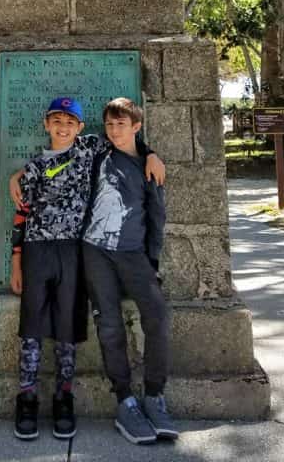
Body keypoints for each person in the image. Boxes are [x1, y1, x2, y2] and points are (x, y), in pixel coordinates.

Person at [9, 96, 164, 441]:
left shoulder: (89, 148)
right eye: (56, 122)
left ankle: (65, 396)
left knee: (68, 322)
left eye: (70, 123)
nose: (62, 128)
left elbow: (126, 139)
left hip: (74, 251)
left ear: (79, 128)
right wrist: (16, 259)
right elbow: (21, 213)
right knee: (31, 324)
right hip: (36, 248)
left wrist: (151, 153)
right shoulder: (34, 166)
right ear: (46, 125)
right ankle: (27, 397)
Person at [82, 97, 178, 445]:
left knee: (157, 316)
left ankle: (154, 395)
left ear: (136, 126)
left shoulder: (149, 167)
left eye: (121, 124)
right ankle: (124, 399)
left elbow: (157, 216)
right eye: (109, 124)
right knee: (108, 325)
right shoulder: (97, 152)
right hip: (95, 253)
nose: (113, 130)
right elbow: (60, 150)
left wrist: (152, 261)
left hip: (134, 253)